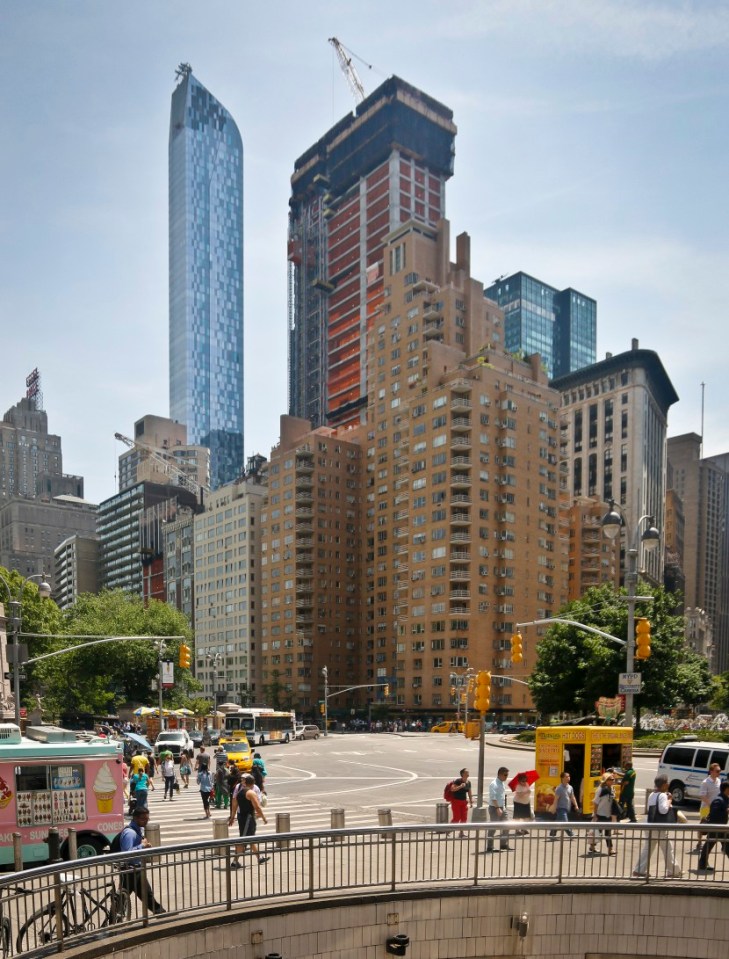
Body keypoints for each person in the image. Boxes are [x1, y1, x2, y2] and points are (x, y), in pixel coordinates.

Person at [632, 774, 682, 878]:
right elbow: (663, 810)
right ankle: (673, 871)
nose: (668, 783)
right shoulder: (663, 795)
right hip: (659, 827)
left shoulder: (652, 794)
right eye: (667, 782)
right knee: (668, 848)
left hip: (650, 824)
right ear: (664, 784)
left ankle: (639, 870)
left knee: (648, 848)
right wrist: (669, 800)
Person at [118, 808, 165, 914]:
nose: (146, 821)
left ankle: (160, 912)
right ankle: (112, 920)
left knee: (145, 895)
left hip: (135, 869)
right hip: (129, 870)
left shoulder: (138, 830)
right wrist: (141, 846)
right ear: (135, 818)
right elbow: (126, 853)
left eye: (147, 819)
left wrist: (144, 847)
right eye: (143, 819)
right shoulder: (130, 833)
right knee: (123, 898)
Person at [227, 773, 269, 867]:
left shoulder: (239, 792)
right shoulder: (250, 793)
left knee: (249, 838)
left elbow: (234, 805)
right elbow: (257, 807)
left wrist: (232, 817)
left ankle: (259, 858)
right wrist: (264, 818)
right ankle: (234, 862)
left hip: (242, 817)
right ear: (253, 783)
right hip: (248, 819)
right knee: (244, 839)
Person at [698, 780, 729, 871]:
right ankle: (702, 865)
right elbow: (714, 814)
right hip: (716, 828)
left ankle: (702, 865)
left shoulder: (725, 798)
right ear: (726, 789)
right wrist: (726, 811)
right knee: (708, 846)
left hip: (721, 829)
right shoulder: (718, 800)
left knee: (709, 846)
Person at [697, 763, 723, 850]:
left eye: (720, 771)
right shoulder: (705, 782)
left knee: (716, 825)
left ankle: (719, 844)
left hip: (716, 808)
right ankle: (699, 843)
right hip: (706, 807)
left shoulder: (719, 781)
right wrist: (710, 805)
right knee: (703, 825)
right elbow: (702, 796)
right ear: (711, 771)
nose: (719, 772)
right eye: (717, 771)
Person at [486, 767, 511, 853]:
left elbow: (501, 796)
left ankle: (503, 844)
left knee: (507, 825)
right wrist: (497, 808)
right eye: (505, 775)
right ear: (500, 774)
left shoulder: (502, 783)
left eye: (507, 775)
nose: (506, 777)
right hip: (495, 808)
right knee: (493, 827)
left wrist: (502, 808)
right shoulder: (494, 784)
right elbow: (493, 797)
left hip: (502, 808)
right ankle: (490, 846)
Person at [590, 772, 616, 855]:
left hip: (608, 814)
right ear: (606, 780)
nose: (613, 781)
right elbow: (596, 802)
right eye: (611, 779)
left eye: (613, 779)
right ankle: (593, 845)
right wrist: (595, 814)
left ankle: (609, 849)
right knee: (599, 832)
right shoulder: (600, 789)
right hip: (600, 814)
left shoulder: (612, 788)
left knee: (607, 832)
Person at [549, 771, 579, 838]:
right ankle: (571, 834)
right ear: (562, 778)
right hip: (560, 808)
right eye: (567, 776)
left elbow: (572, 797)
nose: (568, 778)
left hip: (567, 807)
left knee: (558, 821)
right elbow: (556, 799)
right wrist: (554, 807)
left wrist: (576, 805)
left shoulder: (570, 787)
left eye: (569, 776)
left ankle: (552, 832)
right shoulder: (559, 788)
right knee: (565, 821)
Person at [448, 768, 472, 836]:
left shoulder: (468, 782)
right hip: (456, 802)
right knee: (456, 818)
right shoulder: (458, 781)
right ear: (462, 774)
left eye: (468, 772)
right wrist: (460, 786)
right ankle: (448, 829)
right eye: (466, 772)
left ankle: (461, 833)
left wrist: (471, 801)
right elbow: (452, 789)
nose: (468, 773)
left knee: (464, 818)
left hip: (464, 802)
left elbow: (469, 792)